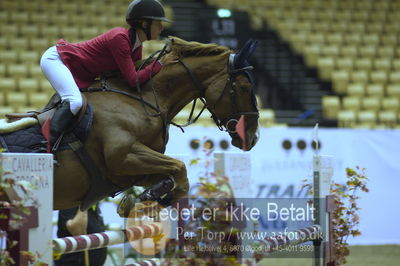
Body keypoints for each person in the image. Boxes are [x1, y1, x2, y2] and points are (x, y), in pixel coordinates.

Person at [40, 0, 172, 148]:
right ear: (144, 24)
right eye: (158, 23)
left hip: (76, 69)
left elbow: (133, 80)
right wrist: (159, 64)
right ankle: (45, 145)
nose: (161, 27)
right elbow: (134, 79)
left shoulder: (136, 46)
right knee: (74, 102)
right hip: (57, 60)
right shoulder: (120, 38)